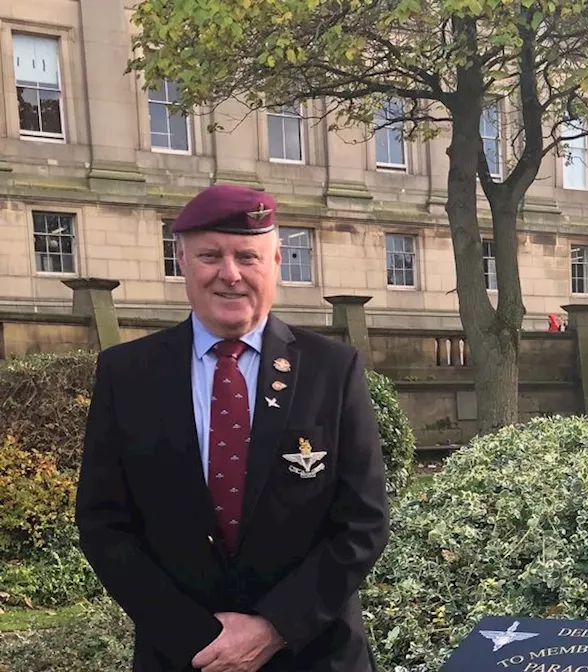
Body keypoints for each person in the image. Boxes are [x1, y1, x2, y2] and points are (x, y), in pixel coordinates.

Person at [75, 184, 391, 672]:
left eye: (248, 255)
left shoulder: (332, 369)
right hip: (183, 656)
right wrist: (198, 637)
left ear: (277, 261)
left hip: (315, 653)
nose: (230, 274)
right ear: (180, 259)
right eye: (210, 255)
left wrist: (273, 628)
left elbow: (362, 522)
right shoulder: (127, 374)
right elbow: (104, 524)